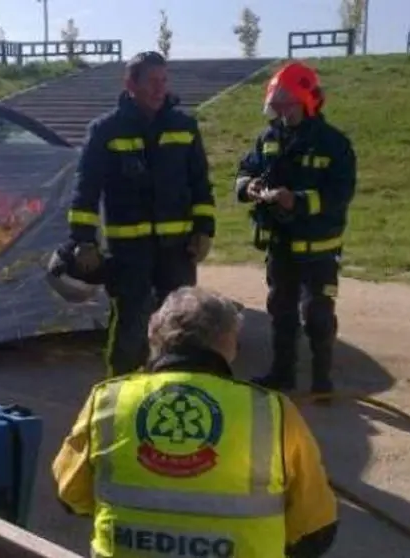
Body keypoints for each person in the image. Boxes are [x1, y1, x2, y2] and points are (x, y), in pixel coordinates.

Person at [52, 287, 338, 558]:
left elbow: (71, 495)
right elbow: (316, 529)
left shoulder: (109, 399)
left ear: (154, 336)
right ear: (228, 342)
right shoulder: (271, 410)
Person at [67, 51, 216, 378]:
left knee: (179, 323)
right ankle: (118, 390)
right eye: (152, 81)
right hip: (128, 251)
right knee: (130, 324)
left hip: (177, 249)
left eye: (164, 80)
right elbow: (86, 190)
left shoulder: (185, 126)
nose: (160, 89)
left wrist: (204, 229)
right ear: (130, 84)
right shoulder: (105, 130)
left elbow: (200, 183)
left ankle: (173, 387)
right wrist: (83, 241)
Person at [233, 61, 356, 396]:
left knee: (318, 315)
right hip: (280, 245)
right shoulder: (268, 138)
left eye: (288, 105)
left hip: (319, 249)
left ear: (308, 101)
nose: (282, 112)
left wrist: (296, 201)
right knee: (281, 312)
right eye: (278, 105)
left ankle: (322, 380)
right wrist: (249, 187)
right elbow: (245, 170)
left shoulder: (333, 144)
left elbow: (340, 193)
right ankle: (282, 374)